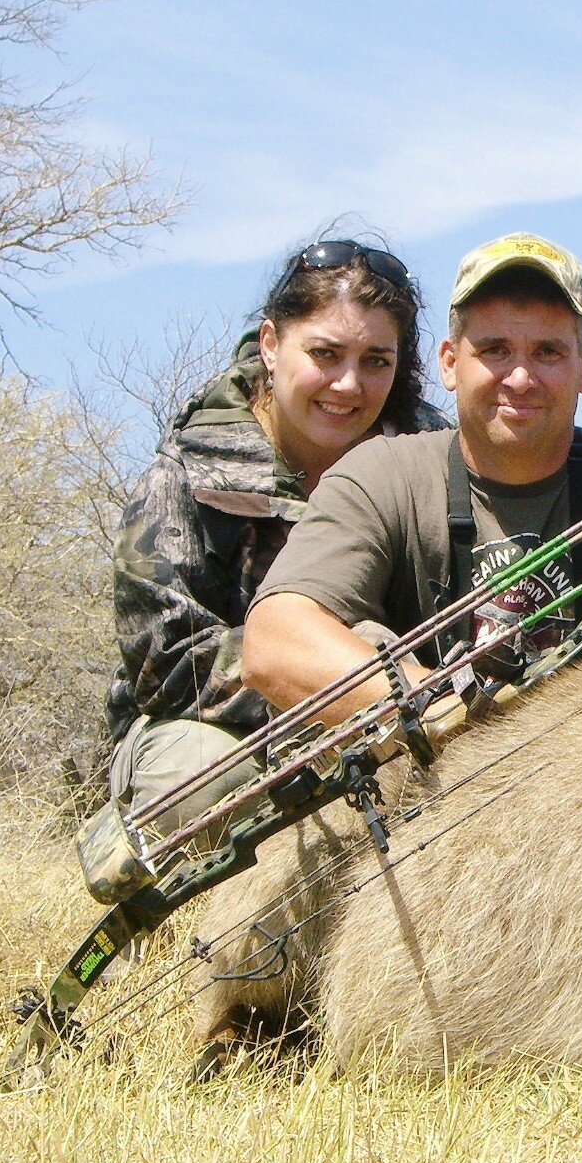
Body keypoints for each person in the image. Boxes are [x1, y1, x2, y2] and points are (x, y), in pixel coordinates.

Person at [242, 232, 582, 723]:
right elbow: (274, 644)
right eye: (494, 350)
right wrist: (450, 712)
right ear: (449, 363)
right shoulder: (381, 475)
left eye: (548, 352)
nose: (520, 377)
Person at [105, 240, 452, 842]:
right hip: (219, 733)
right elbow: (166, 668)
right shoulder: (184, 473)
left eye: (376, 361)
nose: (348, 385)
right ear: (270, 344)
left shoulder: (433, 461)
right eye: (325, 353)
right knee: (202, 781)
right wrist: (328, 669)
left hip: (401, 709)